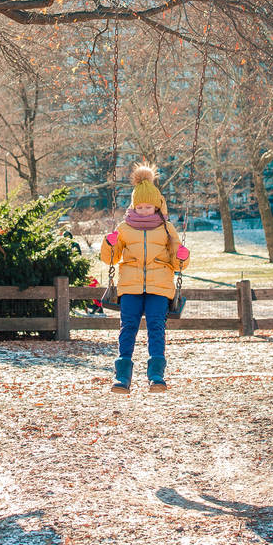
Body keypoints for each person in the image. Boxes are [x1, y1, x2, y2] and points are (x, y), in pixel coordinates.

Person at [100, 164, 190, 394]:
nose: (143, 211)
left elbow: (176, 262)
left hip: (160, 285)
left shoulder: (167, 229)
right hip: (130, 285)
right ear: (133, 206)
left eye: (148, 206)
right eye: (139, 207)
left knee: (156, 327)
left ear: (157, 206)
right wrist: (109, 243)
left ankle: (156, 375)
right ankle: (122, 377)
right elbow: (110, 257)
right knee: (128, 326)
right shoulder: (124, 228)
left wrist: (182, 257)